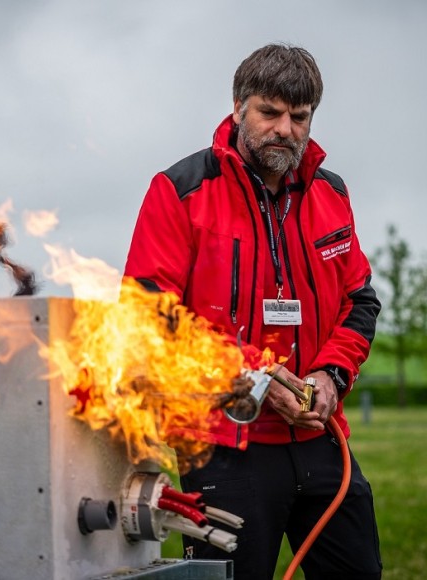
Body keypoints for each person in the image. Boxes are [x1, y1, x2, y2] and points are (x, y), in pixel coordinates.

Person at [124, 44, 382, 579]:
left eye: (299, 117)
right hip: (222, 446)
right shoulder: (180, 191)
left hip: (320, 436)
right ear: (239, 107)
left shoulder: (331, 193)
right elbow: (149, 317)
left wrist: (331, 376)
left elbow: (360, 301)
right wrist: (257, 376)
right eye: (270, 112)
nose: (285, 129)